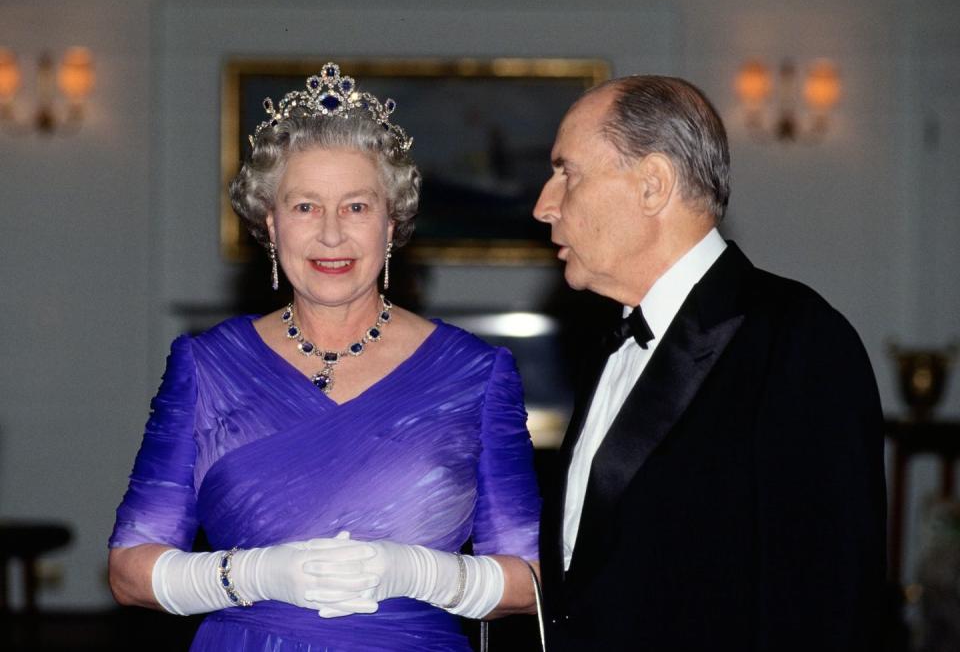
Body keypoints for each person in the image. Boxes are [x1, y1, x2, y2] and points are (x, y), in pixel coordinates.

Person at [108, 63, 540, 651]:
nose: (331, 235)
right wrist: (251, 576)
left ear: (391, 225)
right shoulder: (204, 365)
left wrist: (423, 573)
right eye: (305, 206)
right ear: (270, 223)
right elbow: (130, 570)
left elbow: (533, 581)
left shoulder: (476, 373)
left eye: (357, 207)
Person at [533, 75, 886, 651]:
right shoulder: (613, 340)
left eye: (566, 172)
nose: (544, 205)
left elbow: (828, 605)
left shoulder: (799, 342)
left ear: (653, 185)